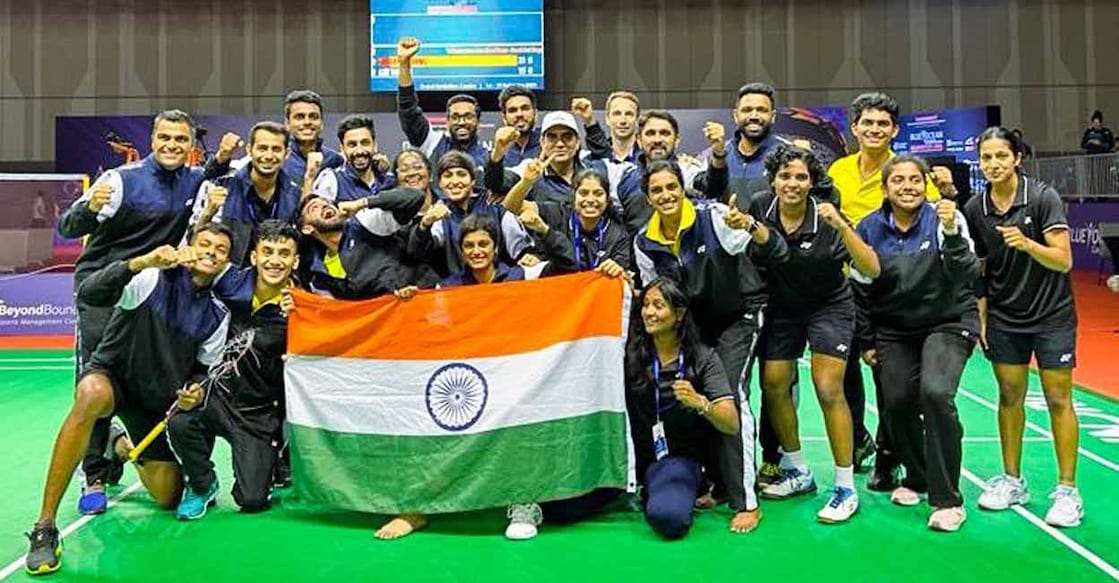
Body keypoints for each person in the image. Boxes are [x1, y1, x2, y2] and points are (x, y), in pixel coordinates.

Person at [25, 224, 233, 575]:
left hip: (152, 404)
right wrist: (139, 262)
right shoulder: (153, 279)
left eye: (221, 249)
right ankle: (45, 526)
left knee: (168, 497)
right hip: (114, 380)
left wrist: (195, 389)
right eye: (205, 244)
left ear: (227, 262)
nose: (211, 252)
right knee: (89, 395)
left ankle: (117, 443)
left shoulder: (217, 315)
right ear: (189, 248)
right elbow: (91, 292)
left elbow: (202, 369)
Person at [57, 109, 210, 516]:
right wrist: (88, 209)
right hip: (103, 291)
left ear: (191, 145)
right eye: (165, 137)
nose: (172, 145)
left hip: (150, 292)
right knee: (94, 380)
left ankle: (125, 446)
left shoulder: (197, 182)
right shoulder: (120, 181)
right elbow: (67, 227)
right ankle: (93, 473)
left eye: (181, 139)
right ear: (152, 139)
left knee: (143, 378)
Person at [634, 160, 787, 533]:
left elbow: (775, 250)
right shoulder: (644, 241)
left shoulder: (715, 215)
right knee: (697, 398)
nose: (666, 195)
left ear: (682, 187)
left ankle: (746, 501)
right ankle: (715, 484)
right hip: (695, 325)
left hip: (739, 316)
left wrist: (749, 225)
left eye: (672, 187)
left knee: (729, 397)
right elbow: (658, 296)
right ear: (648, 196)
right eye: (657, 190)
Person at [826, 92, 951, 490]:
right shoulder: (838, 171)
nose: (875, 130)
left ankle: (889, 455)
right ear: (855, 127)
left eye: (883, 124)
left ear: (894, 130)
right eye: (868, 123)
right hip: (848, 285)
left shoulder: (911, 174)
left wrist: (946, 194)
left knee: (890, 381)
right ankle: (866, 441)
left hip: (897, 289)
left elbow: (936, 224)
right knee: (848, 373)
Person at [752, 144, 880, 524]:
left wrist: (841, 224)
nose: (792, 183)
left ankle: (844, 486)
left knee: (827, 387)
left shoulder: (827, 214)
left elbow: (871, 268)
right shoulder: (760, 207)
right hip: (782, 308)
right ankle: (797, 470)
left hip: (829, 305)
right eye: (785, 176)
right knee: (773, 383)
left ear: (812, 182)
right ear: (773, 180)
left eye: (801, 177)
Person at [962, 127, 1084, 528]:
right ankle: (1013, 481)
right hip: (1004, 317)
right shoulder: (975, 208)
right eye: (986, 158)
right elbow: (978, 268)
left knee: (1057, 399)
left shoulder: (1042, 197)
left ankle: (1068, 491)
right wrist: (980, 314)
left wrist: (1028, 244)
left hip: (1052, 316)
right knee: (1009, 395)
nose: (993, 164)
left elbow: (1063, 260)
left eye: (1001, 156)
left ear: (1017, 158)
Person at [854, 156, 979, 532]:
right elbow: (860, 287)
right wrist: (866, 339)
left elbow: (966, 271)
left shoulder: (946, 218)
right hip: (894, 328)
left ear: (925, 184)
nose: (907, 186)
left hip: (948, 320)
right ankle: (920, 477)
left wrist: (952, 233)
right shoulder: (869, 227)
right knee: (896, 401)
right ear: (885, 188)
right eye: (899, 181)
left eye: (915, 180)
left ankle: (948, 499)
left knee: (936, 393)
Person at [167, 220, 299, 520]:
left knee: (252, 500)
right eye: (267, 251)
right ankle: (202, 484)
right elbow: (194, 267)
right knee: (181, 420)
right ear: (254, 257)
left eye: (284, 253)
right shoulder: (229, 282)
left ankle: (275, 457)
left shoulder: (302, 307)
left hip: (260, 413)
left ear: (295, 260)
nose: (275, 260)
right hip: (219, 397)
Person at [625, 277, 743, 539]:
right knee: (563, 509)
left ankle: (676, 487)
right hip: (627, 460)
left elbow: (731, 422)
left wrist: (701, 403)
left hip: (675, 460)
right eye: (645, 304)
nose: (649, 312)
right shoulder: (629, 353)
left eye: (658, 305)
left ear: (678, 314)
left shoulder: (702, 358)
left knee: (668, 518)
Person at [408, 151, 535, 278]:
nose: (455, 181)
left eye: (461, 174)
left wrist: (527, 257)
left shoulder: (494, 204)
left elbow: (520, 251)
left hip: (502, 285)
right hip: (462, 290)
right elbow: (420, 255)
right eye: (448, 176)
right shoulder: (438, 214)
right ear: (440, 184)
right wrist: (425, 225)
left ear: (473, 180)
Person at [192, 121, 303, 266]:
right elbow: (193, 240)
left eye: (276, 149)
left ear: (286, 153)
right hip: (226, 276)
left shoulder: (295, 195)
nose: (269, 156)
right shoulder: (220, 184)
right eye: (262, 148)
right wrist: (208, 212)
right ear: (249, 150)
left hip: (273, 274)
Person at [297, 187, 438, 300]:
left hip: (424, 297)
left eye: (326, 202)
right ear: (307, 229)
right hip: (389, 323)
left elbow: (415, 197)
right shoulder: (319, 271)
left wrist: (361, 203)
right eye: (314, 208)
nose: (324, 206)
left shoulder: (363, 223)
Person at [502, 161, 632, 275]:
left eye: (598, 194)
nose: (591, 199)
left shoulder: (618, 234)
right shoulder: (557, 213)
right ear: (574, 196)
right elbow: (512, 206)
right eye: (583, 193)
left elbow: (623, 277)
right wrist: (526, 181)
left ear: (607, 199)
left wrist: (617, 269)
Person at [395, 37, 489, 169]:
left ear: (479, 122)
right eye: (455, 117)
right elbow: (408, 110)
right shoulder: (433, 143)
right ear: (447, 122)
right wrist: (404, 62)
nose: (461, 122)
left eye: (468, 117)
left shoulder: (488, 158)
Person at [312, 114, 394, 203]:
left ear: (375, 145)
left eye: (365, 143)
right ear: (342, 148)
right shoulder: (331, 181)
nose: (359, 151)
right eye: (352, 145)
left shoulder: (389, 181)